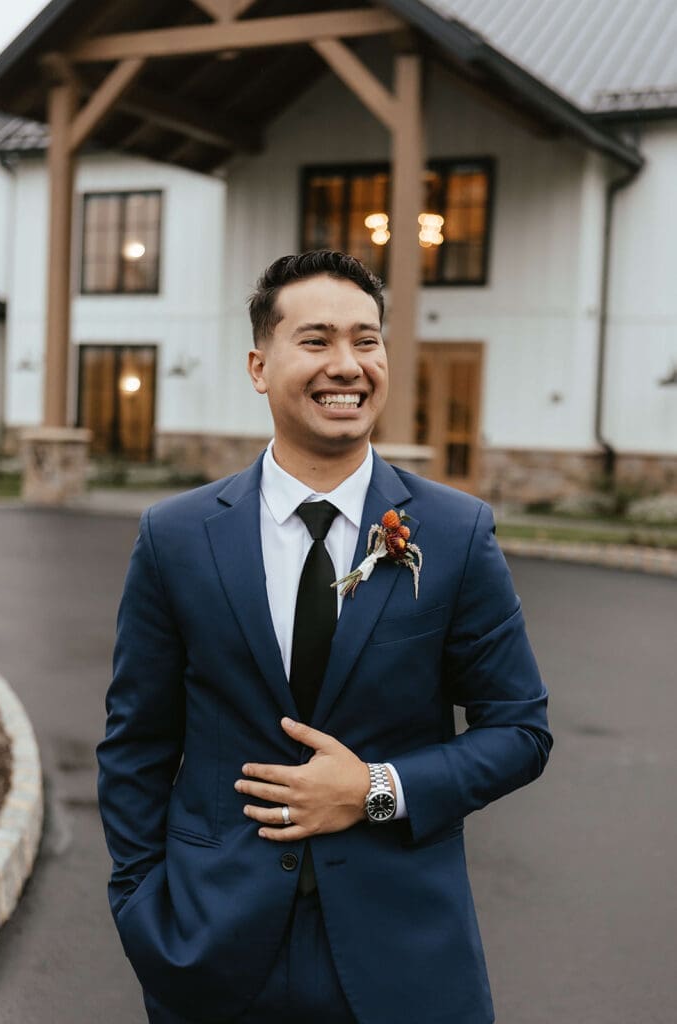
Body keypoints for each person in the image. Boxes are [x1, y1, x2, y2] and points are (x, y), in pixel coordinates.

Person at [97, 250, 552, 1024]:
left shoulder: (454, 531)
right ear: (258, 364)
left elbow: (519, 730)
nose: (347, 365)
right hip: (212, 948)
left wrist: (375, 790)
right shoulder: (175, 537)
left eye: (365, 340)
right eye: (315, 341)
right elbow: (136, 742)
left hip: (402, 952)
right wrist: (144, 909)